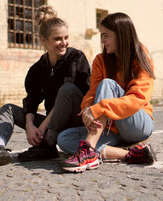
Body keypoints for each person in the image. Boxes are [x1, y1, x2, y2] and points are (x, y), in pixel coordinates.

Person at [0, 5, 90, 168]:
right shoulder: (37, 69)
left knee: (67, 90)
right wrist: (30, 126)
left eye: (66, 37)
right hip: (51, 125)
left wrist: (43, 127)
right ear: (44, 41)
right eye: (58, 39)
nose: (63, 43)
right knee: (8, 109)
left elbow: (70, 95)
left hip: (74, 122)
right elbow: (31, 101)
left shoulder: (76, 58)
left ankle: (46, 145)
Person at [57, 12, 157, 173]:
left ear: (121, 35)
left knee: (108, 84)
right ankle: (130, 154)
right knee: (64, 138)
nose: (102, 41)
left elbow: (137, 99)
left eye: (106, 36)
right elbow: (92, 93)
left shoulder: (140, 56)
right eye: (101, 36)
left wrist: (97, 109)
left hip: (137, 125)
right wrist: (88, 109)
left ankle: (88, 148)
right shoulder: (100, 60)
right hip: (112, 129)